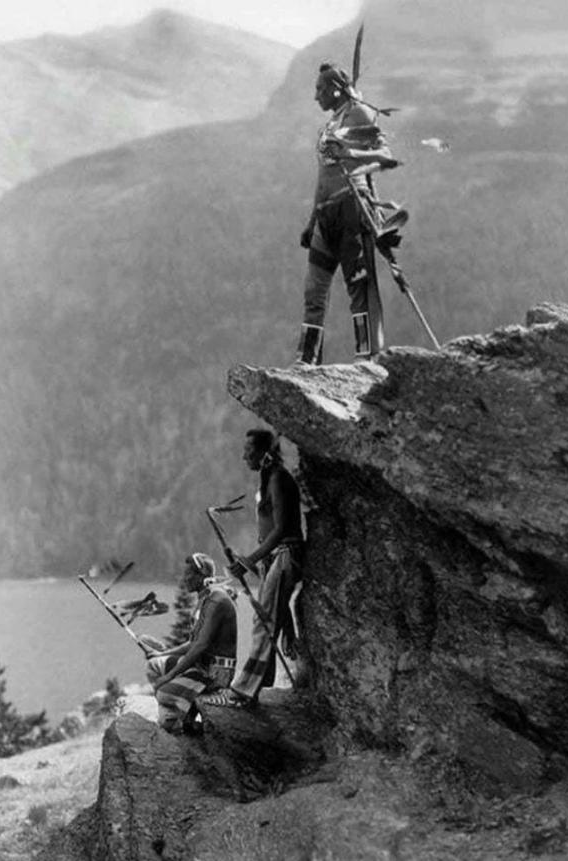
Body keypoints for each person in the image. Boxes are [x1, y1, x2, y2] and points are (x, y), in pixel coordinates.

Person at [296, 62, 400, 364]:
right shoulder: (328, 125)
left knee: (359, 287)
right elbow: (322, 175)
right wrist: (311, 220)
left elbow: (386, 157)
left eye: (319, 89)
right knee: (314, 290)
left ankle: (368, 358)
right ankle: (307, 360)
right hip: (326, 216)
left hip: (352, 210)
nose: (316, 96)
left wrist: (350, 152)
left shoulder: (360, 114)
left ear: (335, 89)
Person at [204, 429, 304, 709]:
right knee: (268, 612)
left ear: (264, 453)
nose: (244, 455)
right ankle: (260, 683)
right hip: (276, 557)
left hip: (286, 554)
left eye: (249, 450)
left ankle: (245, 689)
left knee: (262, 619)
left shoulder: (278, 479)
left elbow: (282, 528)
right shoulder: (270, 480)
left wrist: (248, 561)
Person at [135, 553, 238, 734]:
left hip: (215, 673)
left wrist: (170, 676)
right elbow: (193, 642)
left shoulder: (216, 600)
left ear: (202, 576)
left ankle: (176, 725)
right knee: (154, 666)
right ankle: (181, 718)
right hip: (203, 666)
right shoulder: (206, 598)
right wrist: (161, 655)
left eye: (189, 574)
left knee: (163, 692)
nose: (184, 579)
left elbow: (200, 646)